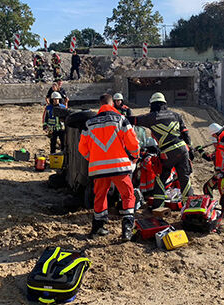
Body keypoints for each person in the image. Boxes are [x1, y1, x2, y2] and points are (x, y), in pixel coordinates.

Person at [78, 94, 140, 241]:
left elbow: (82, 148)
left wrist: (92, 158)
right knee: (128, 195)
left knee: (100, 196)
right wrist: (135, 156)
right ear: (112, 104)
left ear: (100, 105)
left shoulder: (89, 123)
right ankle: (126, 229)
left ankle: (98, 227)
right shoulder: (120, 119)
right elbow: (133, 143)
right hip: (119, 167)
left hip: (98, 169)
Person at [128, 92, 193, 208]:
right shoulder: (176, 115)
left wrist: (117, 117)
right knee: (185, 179)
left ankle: (158, 207)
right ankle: (189, 207)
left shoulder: (151, 117)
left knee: (160, 178)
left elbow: (133, 120)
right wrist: (191, 149)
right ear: (164, 103)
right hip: (183, 149)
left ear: (152, 105)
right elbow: (185, 133)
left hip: (168, 151)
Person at [197, 123, 224, 198]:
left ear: (216, 133)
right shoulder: (219, 146)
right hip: (220, 173)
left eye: (213, 135)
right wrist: (200, 151)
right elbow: (209, 158)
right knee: (208, 187)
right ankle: (211, 206)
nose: (213, 137)